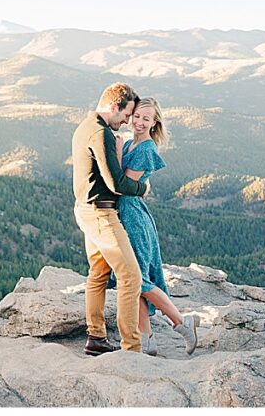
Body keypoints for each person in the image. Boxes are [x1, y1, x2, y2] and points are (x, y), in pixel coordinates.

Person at [111, 97, 199, 356]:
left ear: (154, 122)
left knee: (137, 279)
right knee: (133, 280)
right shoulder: (130, 144)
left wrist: (116, 153)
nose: (138, 122)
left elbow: (122, 185)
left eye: (145, 119)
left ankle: (183, 324)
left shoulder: (146, 149)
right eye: (137, 116)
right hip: (126, 215)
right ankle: (146, 339)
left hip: (133, 218)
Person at [71, 82, 148, 355]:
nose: (127, 121)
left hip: (85, 209)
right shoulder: (100, 133)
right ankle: (132, 348)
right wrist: (143, 188)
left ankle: (96, 339)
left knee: (98, 274)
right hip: (101, 213)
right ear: (114, 107)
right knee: (131, 276)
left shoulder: (85, 126)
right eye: (126, 115)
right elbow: (116, 183)